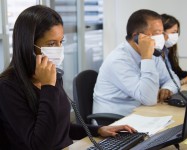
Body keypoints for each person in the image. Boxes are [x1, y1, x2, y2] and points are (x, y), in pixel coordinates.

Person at [0, 5, 136, 150]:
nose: (58, 49)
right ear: (28, 47)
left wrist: (98, 130)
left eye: (61, 42)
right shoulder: (7, 87)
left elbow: (60, 127)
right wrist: (48, 87)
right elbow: (39, 144)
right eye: (51, 44)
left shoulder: (53, 75)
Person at [93, 9, 180, 116]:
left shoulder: (153, 52)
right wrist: (147, 58)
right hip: (116, 121)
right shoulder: (118, 60)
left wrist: (168, 88)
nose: (162, 38)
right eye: (157, 33)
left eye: (162, 33)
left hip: (141, 113)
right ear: (137, 37)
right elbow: (149, 99)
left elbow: (173, 79)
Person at [161, 14, 187, 85]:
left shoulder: (168, 51)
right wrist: (181, 82)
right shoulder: (154, 53)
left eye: (177, 32)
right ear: (161, 32)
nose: (176, 36)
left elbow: (178, 73)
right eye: (173, 32)